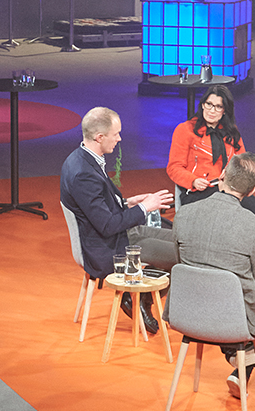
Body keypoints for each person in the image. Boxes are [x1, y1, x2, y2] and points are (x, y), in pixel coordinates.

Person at [172, 153, 255, 397]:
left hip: (186, 312)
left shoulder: (183, 214)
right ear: (253, 190)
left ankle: (240, 361)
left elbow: (181, 262)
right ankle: (242, 362)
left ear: (222, 175)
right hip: (231, 320)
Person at [61, 106, 174, 335]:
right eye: (116, 134)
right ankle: (142, 298)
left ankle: (141, 298)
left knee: (181, 239)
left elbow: (99, 208)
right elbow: (107, 225)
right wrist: (144, 207)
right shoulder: (83, 173)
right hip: (109, 247)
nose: (120, 138)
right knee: (186, 254)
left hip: (119, 234)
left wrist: (129, 203)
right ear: (99, 137)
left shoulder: (83, 157)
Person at [166, 86, 255, 241]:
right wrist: (193, 180)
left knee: (249, 201)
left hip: (226, 187)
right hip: (197, 192)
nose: (211, 110)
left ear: (225, 111)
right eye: (208, 104)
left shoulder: (231, 132)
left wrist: (238, 179)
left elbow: (243, 164)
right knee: (231, 202)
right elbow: (174, 167)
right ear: (202, 104)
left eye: (218, 106)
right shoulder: (185, 130)